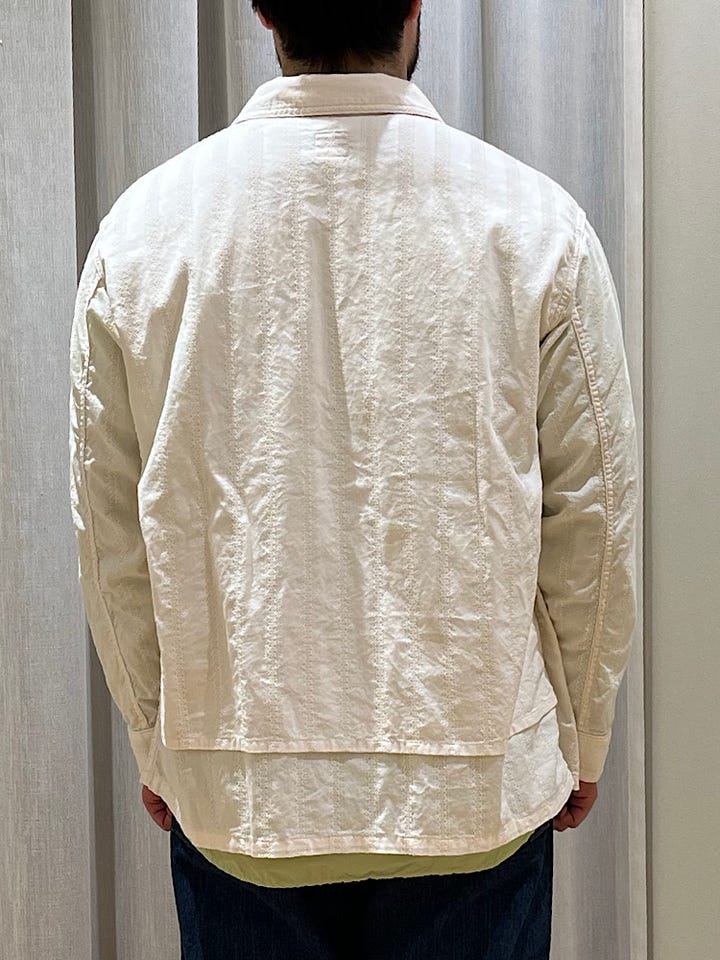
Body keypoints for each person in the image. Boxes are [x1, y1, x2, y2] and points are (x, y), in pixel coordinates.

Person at [68, 0, 640, 956]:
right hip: (472, 791)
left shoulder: (143, 233)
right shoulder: (535, 223)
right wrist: (582, 734)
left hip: (243, 797)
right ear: (414, 6)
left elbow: (110, 533)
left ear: (263, 11)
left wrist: (155, 733)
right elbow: (596, 519)